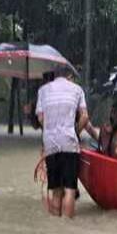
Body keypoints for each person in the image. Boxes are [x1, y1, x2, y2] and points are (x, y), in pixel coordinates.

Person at [36, 66, 89, 218]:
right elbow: (84, 117)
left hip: (51, 144)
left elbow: (40, 118)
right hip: (69, 143)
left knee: (56, 190)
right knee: (70, 188)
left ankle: (56, 225)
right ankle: (67, 226)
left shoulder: (43, 90)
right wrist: (75, 131)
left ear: (54, 75)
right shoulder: (77, 89)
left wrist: (50, 130)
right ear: (69, 75)